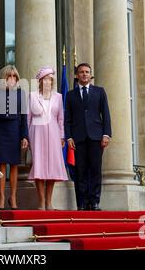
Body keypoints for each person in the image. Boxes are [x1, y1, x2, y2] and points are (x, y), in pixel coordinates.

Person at [64, 63, 111, 211]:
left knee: (95, 170)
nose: (84, 74)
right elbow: (67, 119)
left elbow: (106, 114)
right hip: (78, 139)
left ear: (90, 75)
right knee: (80, 171)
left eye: (87, 72)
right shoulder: (71, 95)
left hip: (96, 137)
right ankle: (82, 203)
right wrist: (69, 137)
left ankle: (94, 201)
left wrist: (106, 134)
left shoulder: (99, 91)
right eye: (81, 72)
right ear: (77, 75)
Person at [28, 67, 68, 210]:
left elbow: (61, 119)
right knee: (39, 166)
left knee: (52, 167)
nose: (47, 82)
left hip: (54, 133)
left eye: (50, 80)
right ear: (40, 81)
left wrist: (62, 136)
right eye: (45, 79)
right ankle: (41, 202)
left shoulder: (58, 97)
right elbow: (28, 117)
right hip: (36, 133)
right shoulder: (32, 96)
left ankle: (49, 202)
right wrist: (26, 137)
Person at [0, 65, 29, 210]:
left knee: (14, 164)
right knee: (1, 164)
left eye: (14, 77)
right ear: (3, 78)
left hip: (15, 131)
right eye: (9, 76)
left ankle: (12, 197)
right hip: (0, 131)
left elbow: (24, 117)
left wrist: (25, 136)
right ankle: (1, 197)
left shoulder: (20, 94)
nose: (11, 79)